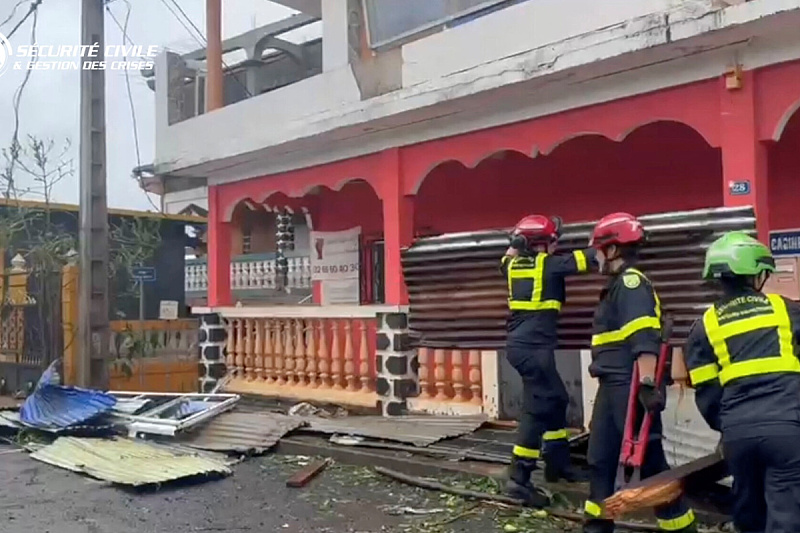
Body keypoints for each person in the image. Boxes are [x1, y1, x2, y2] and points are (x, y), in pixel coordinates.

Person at [583, 212, 696, 533]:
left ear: (614, 250)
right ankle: (596, 527)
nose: (596, 256)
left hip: (629, 386)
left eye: (600, 249)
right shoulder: (618, 286)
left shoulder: (631, 284)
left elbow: (643, 338)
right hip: (612, 384)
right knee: (600, 460)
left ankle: (681, 528)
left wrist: (647, 385)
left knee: (650, 466)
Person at [684, 232, 800, 533]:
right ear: (756, 275)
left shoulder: (704, 325)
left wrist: (728, 425)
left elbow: (707, 392)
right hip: (786, 429)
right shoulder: (784, 310)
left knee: (748, 513)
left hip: (738, 433)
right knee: (786, 512)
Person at [501, 214, 597, 506]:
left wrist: (518, 241)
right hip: (533, 350)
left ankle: (557, 464)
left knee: (555, 398)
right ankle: (519, 478)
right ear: (542, 245)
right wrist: (600, 239)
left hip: (526, 348)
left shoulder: (510, 265)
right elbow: (589, 259)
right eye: (553, 241)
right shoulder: (548, 265)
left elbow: (509, 253)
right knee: (538, 408)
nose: (557, 246)